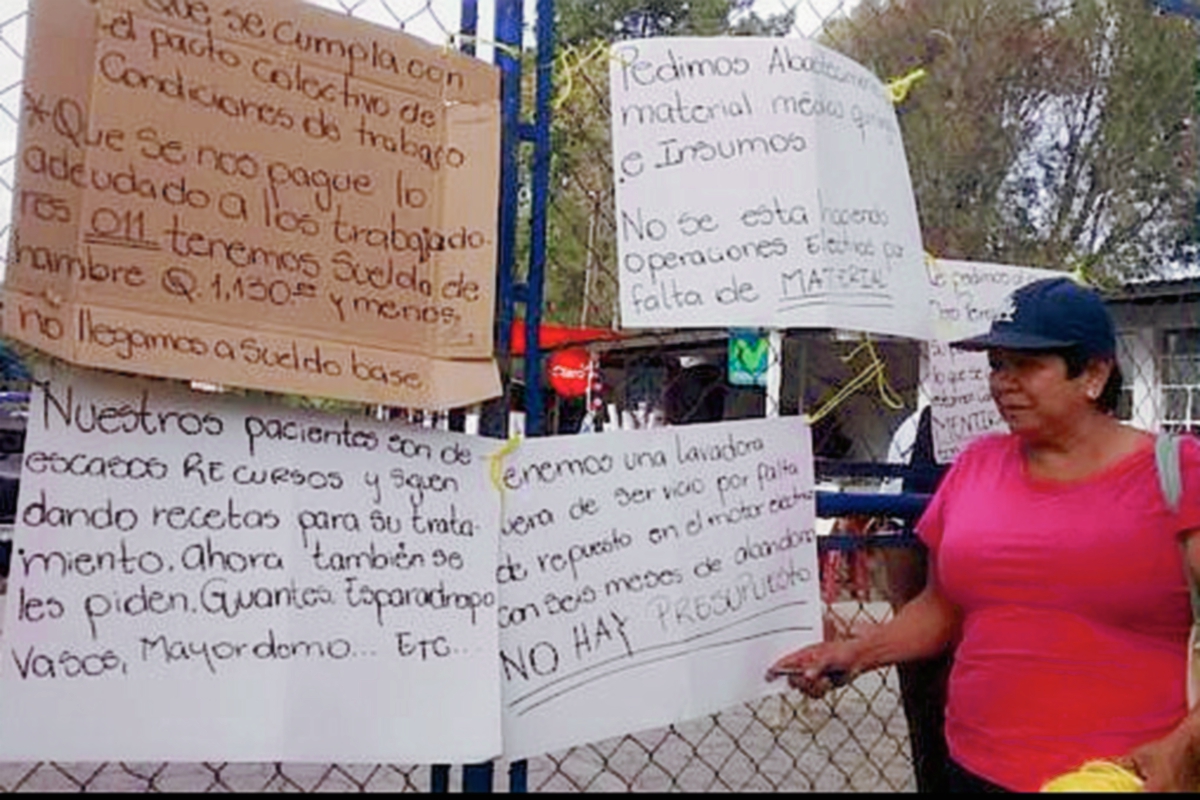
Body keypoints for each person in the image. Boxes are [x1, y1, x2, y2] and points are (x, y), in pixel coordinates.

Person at [766, 277, 1200, 792]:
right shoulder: (976, 465)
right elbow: (943, 605)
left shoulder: (1178, 474)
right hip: (972, 767)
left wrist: (1183, 749)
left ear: (1094, 373)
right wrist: (857, 654)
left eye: (1028, 365)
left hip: (1122, 775)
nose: (1003, 382)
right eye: (997, 364)